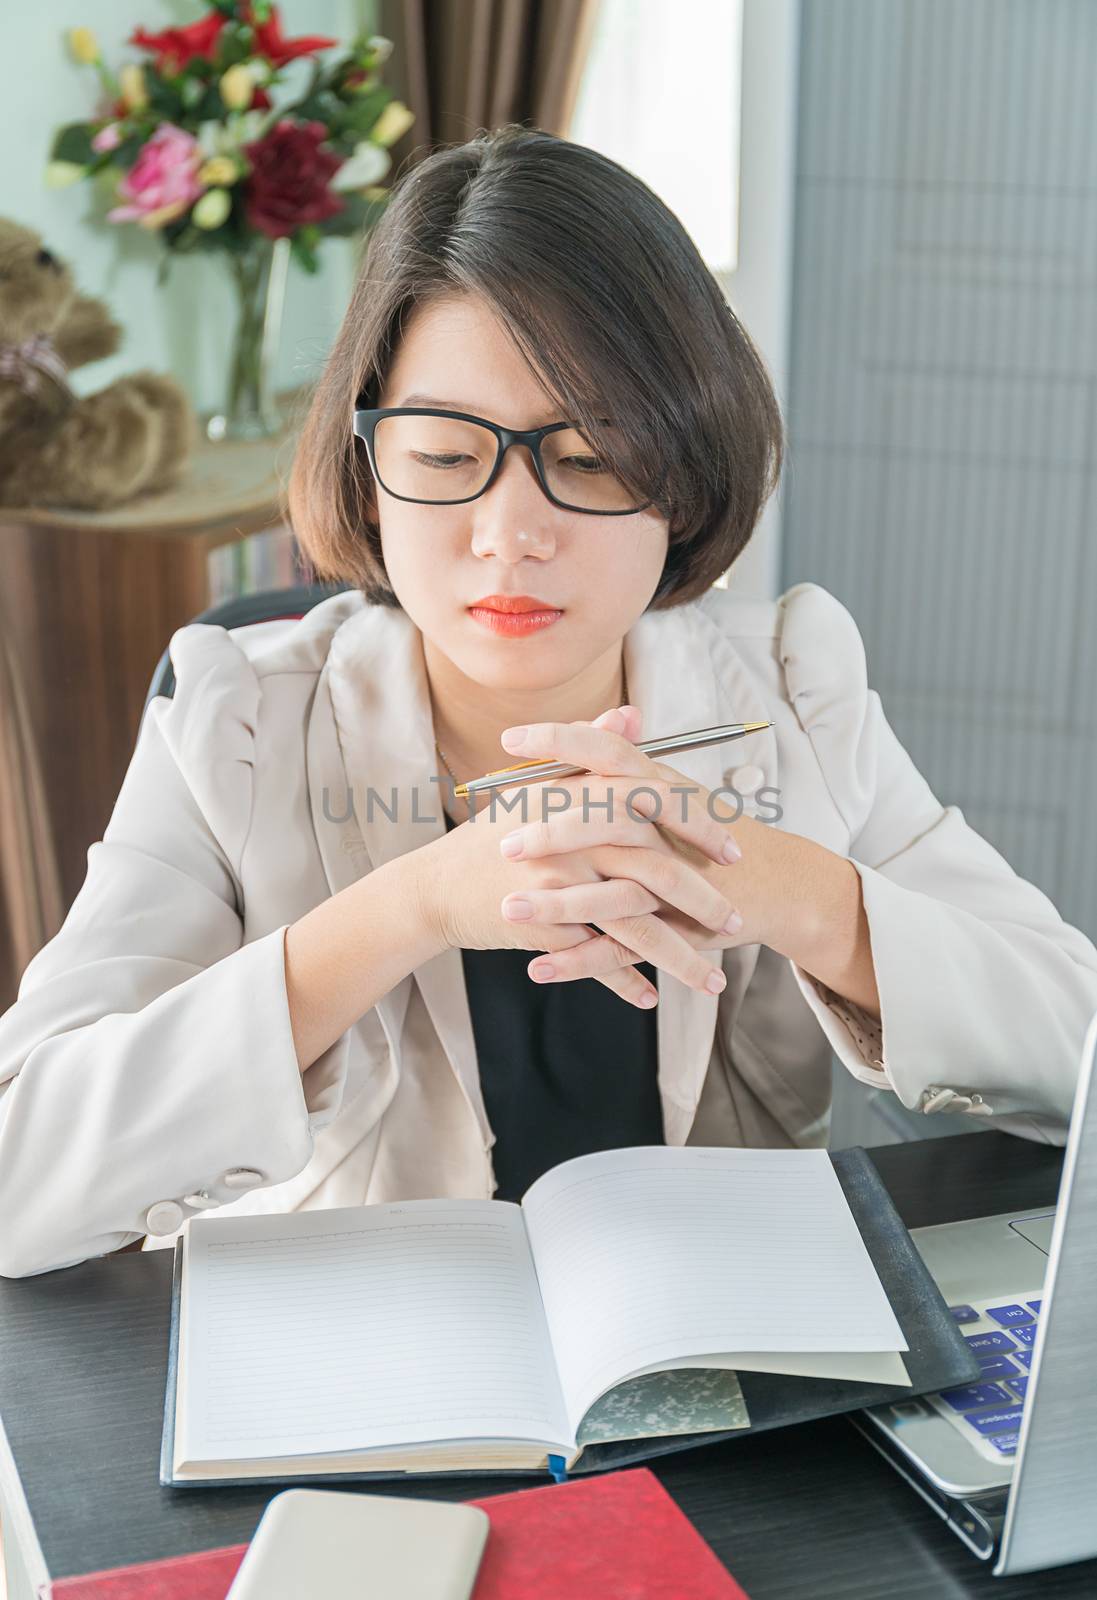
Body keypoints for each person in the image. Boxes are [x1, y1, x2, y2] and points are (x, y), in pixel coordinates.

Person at [1, 125, 1095, 1281]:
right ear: (368, 466)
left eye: (590, 457)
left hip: (729, 1383)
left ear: (685, 475)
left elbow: (1070, 1040)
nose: (510, 535)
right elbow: (21, 1168)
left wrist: (770, 880)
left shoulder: (789, 685)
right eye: (440, 453)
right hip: (370, 1402)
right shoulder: (236, 721)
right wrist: (414, 905)